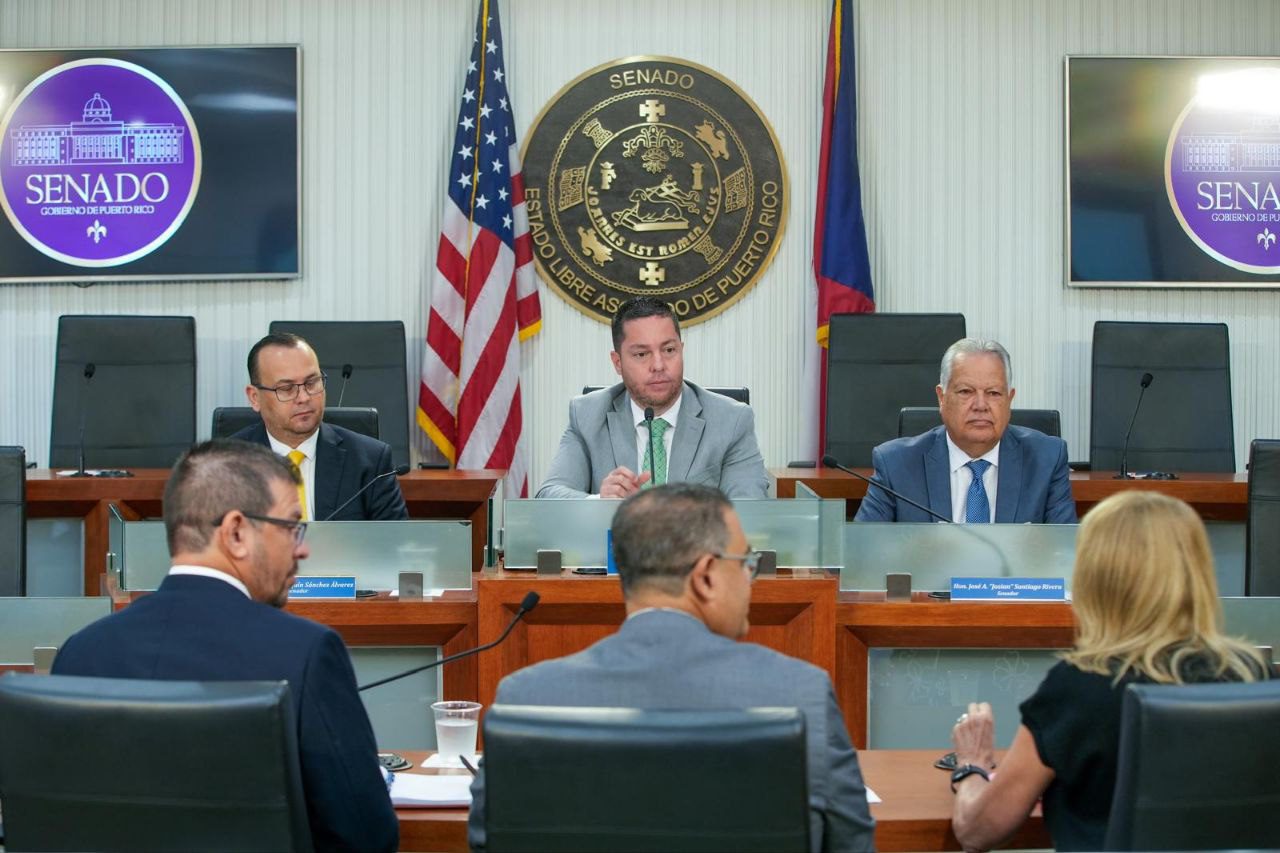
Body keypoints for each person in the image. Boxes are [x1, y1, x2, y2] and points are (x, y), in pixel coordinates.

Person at [468, 483, 874, 852]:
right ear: (706, 577)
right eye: (745, 563)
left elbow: (486, 842)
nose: (751, 579)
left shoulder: (526, 698)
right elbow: (852, 845)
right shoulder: (801, 694)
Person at [52, 439, 399, 853]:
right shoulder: (305, 653)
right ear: (236, 533)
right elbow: (366, 835)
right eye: (291, 527)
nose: (303, 548)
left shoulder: (79, 653)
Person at [948, 491, 1271, 851]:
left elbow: (978, 831)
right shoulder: (1255, 677)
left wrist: (971, 765)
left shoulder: (1080, 687)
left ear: (1094, 578)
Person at [536, 297, 768, 499]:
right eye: (641, 354)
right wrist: (600, 501)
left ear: (681, 349)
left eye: (669, 350)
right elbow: (550, 496)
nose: (658, 365)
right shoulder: (587, 415)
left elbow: (750, 507)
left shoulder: (732, 420)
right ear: (618, 363)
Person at [854, 338, 1075, 523]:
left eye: (993, 393)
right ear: (941, 397)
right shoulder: (896, 464)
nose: (980, 405)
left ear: (1009, 399)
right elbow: (862, 551)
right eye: (966, 391)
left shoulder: (1046, 460)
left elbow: (1065, 552)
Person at [233, 332, 407, 520]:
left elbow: (394, 537)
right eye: (286, 388)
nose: (304, 397)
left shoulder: (370, 461)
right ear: (255, 397)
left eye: (312, 382)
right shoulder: (226, 466)